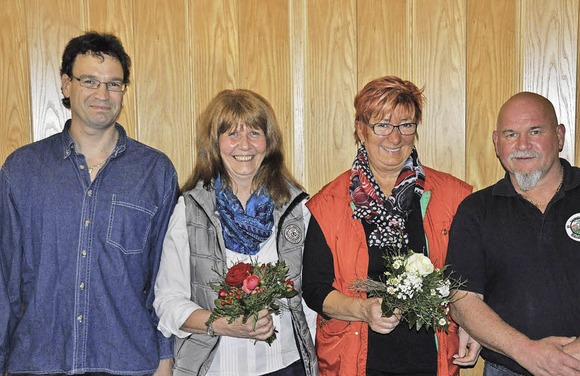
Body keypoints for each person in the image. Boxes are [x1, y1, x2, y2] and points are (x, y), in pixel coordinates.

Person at [0, 32, 178, 374]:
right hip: (39, 362)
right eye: (90, 81)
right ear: (66, 85)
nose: (102, 94)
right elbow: (4, 279)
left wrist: (165, 356)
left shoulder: (155, 172)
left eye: (114, 84)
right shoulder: (22, 170)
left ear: (124, 90)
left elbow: (162, 277)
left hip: (127, 363)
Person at [446, 91, 580, 376]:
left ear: (559, 136)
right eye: (511, 134)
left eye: (535, 131)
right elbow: (462, 300)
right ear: (496, 142)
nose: (522, 145)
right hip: (509, 370)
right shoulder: (476, 210)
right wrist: (528, 353)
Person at [302, 76, 479, 376]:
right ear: (361, 129)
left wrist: (473, 327)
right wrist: (363, 310)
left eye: (406, 125)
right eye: (382, 125)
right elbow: (315, 290)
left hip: (430, 360)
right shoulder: (329, 203)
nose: (395, 138)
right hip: (356, 360)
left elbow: (470, 278)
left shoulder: (454, 197)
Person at [153, 89, 318, 376]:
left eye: (254, 133)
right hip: (215, 368)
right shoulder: (189, 210)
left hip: (286, 366)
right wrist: (221, 323)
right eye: (231, 134)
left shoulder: (298, 209)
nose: (244, 145)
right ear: (215, 144)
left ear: (269, 142)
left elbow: (309, 307)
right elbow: (167, 303)